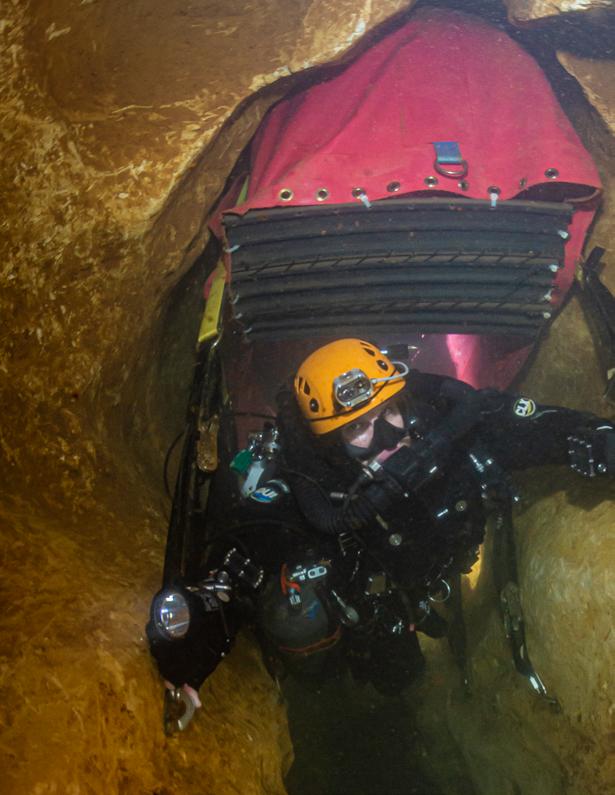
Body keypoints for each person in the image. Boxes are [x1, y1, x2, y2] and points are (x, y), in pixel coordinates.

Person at [147, 338, 615, 721]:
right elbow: (245, 553)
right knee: (378, 676)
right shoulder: (314, 490)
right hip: (372, 606)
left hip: (428, 576)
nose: (388, 436)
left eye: (390, 411)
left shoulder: (448, 427)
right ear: (330, 443)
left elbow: (527, 426)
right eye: (358, 428)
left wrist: (592, 437)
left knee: (401, 676)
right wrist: (201, 627)